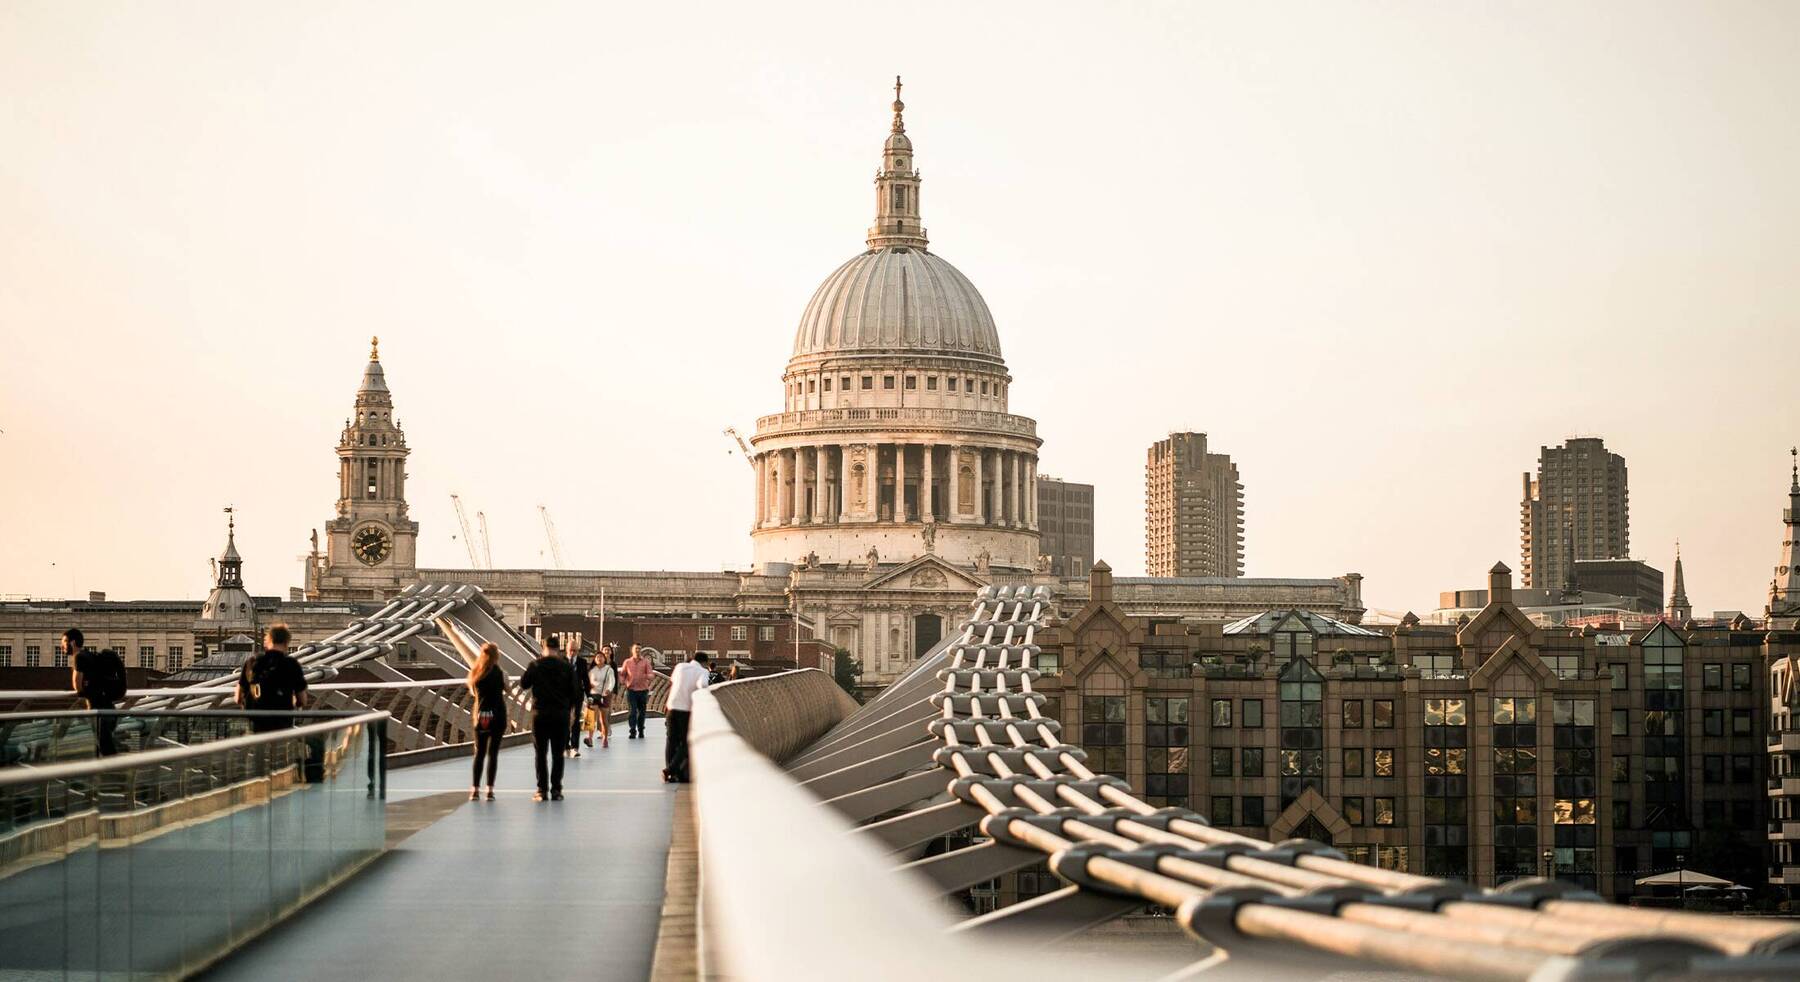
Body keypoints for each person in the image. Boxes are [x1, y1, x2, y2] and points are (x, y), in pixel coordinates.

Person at [518, 636, 578, 802]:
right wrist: (571, 712)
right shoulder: (566, 667)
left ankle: (541, 790)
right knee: (558, 754)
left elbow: (524, 684)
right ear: (558, 649)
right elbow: (575, 693)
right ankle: (556, 790)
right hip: (561, 714)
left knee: (540, 753)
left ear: (543, 648)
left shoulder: (536, 665)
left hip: (541, 714)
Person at [235, 624, 308, 733]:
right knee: (280, 748)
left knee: (256, 748)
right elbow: (302, 700)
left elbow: (238, 698)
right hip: (282, 724)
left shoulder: (252, 662)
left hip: (256, 723)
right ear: (287, 642)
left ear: (269, 640)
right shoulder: (291, 664)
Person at [68, 628, 126, 757]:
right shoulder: (94, 661)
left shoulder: (81, 658)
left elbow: (77, 685)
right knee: (105, 748)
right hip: (110, 709)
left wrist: (83, 690)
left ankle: (116, 773)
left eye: (65, 642)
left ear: (72, 643)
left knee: (107, 750)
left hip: (99, 711)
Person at [467, 642, 507, 801]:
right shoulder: (501, 673)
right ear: (497, 656)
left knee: (479, 753)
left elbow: (473, 693)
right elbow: (508, 689)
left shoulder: (476, 674)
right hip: (498, 716)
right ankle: (489, 790)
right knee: (493, 754)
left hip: (482, 716)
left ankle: (475, 790)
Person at [662, 652, 710, 784]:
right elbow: (703, 685)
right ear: (705, 662)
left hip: (672, 706)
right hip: (686, 709)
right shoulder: (702, 671)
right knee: (686, 742)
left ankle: (670, 772)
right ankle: (671, 769)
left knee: (671, 740)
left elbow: (673, 682)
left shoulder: (680, 666)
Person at [586, 645, 618, 749]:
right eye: (597, 657)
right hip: (594, 695)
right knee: (591, 717)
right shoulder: (592, 670)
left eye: (601, 657)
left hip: (605, 695)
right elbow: (587, 682)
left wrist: (609, 689)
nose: (599, 659)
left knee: (603, 719)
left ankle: (604, 738)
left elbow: (612, 680)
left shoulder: (609, 669)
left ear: (604, 658)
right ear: (595, 659)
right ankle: (589, 738)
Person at [621, 644, 653, 739]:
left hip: (643, 690)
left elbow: (651, 674)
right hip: (631, 690)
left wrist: (647, 676)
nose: (638, 650)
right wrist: (622, 680)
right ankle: (632, 731)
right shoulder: (627, 662)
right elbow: (622, 674)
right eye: (636, 649)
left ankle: (641, 729)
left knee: (642, 712)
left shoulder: (646, 662)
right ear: (632, 650)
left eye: (639, 649)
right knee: (632, 711)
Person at [566, 639, 590, 758]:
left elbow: (585, 679)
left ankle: (575, 747)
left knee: (575, 720)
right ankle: (566, 746)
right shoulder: (561, 661)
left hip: (577, 695)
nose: (572, 652)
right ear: (567, 649)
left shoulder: (582, 662)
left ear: (578, 651)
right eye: (571, 650)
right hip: (563, 696)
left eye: (575, 650)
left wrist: (589, 695)